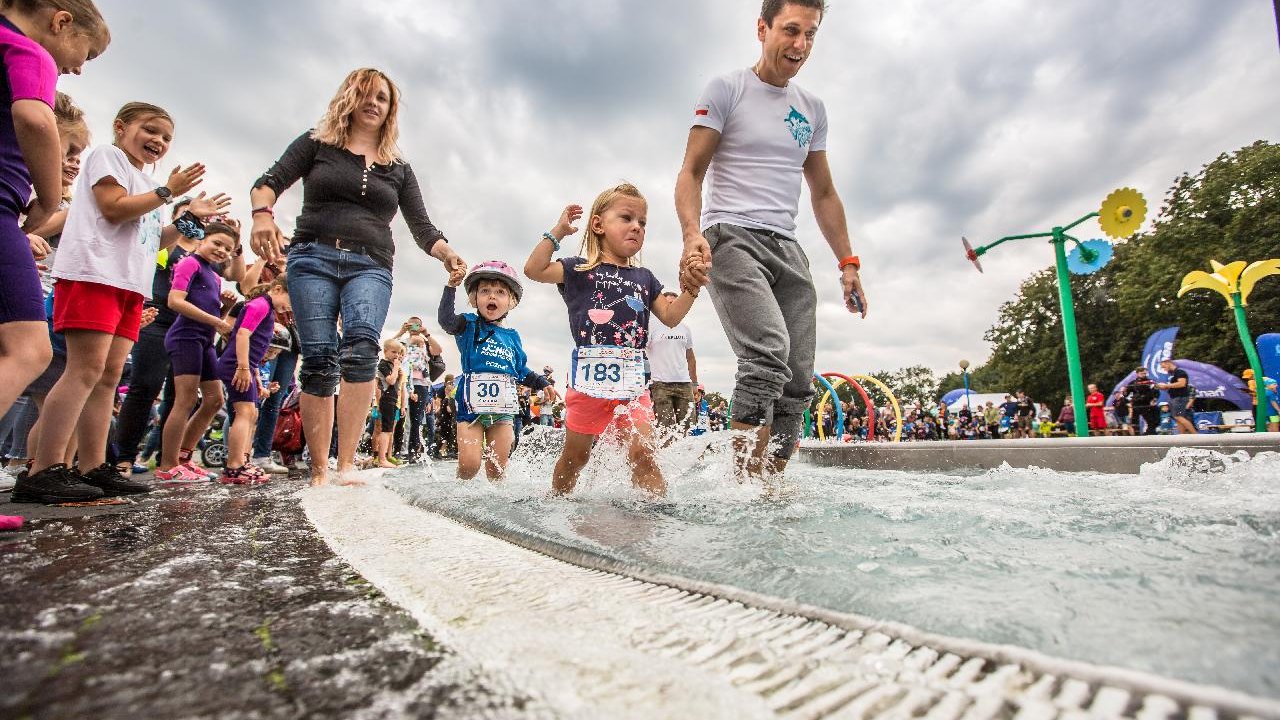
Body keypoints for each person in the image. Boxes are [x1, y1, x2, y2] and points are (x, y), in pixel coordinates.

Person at [675, 0, 866, 479]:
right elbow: (691, 171)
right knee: (766, 352)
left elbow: (823, 192)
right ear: (762, 28)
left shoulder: (812, 109)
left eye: (811, 34)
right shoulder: (727, 89)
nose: (800, 45)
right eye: (790, 30)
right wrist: (692, 234)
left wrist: (848, 262)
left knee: (798, 376)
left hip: (788, 248)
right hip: (731, 237)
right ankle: (740, 481)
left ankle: (770, 484)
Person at [249, 68, 466, 486]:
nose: (373, 102)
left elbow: (422, 227)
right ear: (349, 97)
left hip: (371, 262)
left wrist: (446, 253)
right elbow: (268, 183)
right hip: (312, 256)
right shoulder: (316, 144)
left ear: (391, 109)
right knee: (317, 357)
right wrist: (262, 215)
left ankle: (346, 463)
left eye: (382, 97)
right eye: (365, 94)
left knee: (363, 347)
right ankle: (318, 469)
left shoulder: (399, 168)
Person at [15, 102, 227, 503]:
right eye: (150, 130)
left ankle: (94, 465)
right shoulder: (106, 157)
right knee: (83, 371)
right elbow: (113, 210)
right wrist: (168, 192)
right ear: (121, 127)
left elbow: (156, 239)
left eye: (166, 137)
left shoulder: (144, 182)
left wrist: (190, 219)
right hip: (95, 275)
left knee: (108, 378)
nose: (158, 141)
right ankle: (42, 468)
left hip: (130, 286)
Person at [525, 186, 698, 496]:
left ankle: (655, 516)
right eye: (627, 218)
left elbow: (671, 317)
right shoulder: (578, 269)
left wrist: (692, 289)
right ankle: (556, 503)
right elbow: (533, 269)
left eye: (643, 222)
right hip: (588, 385)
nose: (637, 226)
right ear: (598, 225)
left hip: (633, 385)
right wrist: (557, 233)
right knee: (577, 457)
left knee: (643, 453)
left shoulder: (645, 278)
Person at [0, 0, 108, 437]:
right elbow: (35, 118)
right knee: (29, 350)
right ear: (61, 21)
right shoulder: (28, 51)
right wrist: (46, 198)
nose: (80, 69)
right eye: (88, 54)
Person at [439, 261, 554, 480]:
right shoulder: (468, 324)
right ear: (474, 299)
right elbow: (446, 322)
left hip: (503, 408)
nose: (492, 297)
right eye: (485, 291)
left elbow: (520, 370)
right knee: (469, 466)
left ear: (511, 302)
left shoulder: (512, 336)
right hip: (471, 406)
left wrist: (542, 382)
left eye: (500, 292)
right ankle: (459, 494)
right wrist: (450, 288)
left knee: (497, 469)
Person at [154, 223, 239, 484]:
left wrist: (224, 310)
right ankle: (168, 465)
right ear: (203, 239)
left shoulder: (214, 276)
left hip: (204, 339)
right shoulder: (189, 263)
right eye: (217, 243)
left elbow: (214, 317)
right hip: (185, 336)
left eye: (228, 248)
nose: (222, 250)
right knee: (185, 399)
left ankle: (184, 456)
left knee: (214, 400)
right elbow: (175, 301)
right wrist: (217, 322)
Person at [217, 276, 291, 484]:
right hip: (237, 365)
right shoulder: (259, 305)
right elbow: (242, 335)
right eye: (290, 301)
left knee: (252, 413)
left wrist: (255, 373)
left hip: (247, 366)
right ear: (278, 289)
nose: (289, 307)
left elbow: (257, 349)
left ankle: (243, 459)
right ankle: (234, 466)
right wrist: (242, 367)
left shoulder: (267, 309)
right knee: (245, 412)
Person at [647, 291, 698, 438]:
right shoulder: (651, 326)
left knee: (689, 428)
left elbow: (691, 358)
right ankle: (666, 459)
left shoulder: (685, 328)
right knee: (665, 429)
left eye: (675, 304)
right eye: (668, 303)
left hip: (684, 383)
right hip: (660, 384)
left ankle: (689, 459)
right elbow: (641, 352)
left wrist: (694, 383)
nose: (672, 307)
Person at [372, 338, 404, 469]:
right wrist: (396, 368)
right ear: (385, 351)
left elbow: (397, 383)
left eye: (398, 353)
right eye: (394, 352)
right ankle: (381, 458)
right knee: (385, 430)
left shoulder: (390, 365)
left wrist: (399, 373)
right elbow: (390, 381)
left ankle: (384, 457)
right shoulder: (384, 364)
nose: (396, 355)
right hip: (386, 398)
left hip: (392, 399)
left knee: (389, 429)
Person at [1157, 358, 1197, 435]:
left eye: (1164, 367)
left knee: (1178, 417)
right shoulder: (1173, 375)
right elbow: (1173, 386)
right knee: (1178, 418)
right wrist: (1164, 387)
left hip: (1180, 398)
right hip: (1175, 398)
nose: (1163, 369)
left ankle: (1196, 435)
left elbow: (1182, 384)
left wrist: (1166, 385)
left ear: (1168, 363)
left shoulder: (1179, 372)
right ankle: (1181, 437)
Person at [1123, 367, 1159, 435]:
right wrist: (1125, 393)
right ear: (1137, 374)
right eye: (1142, 373)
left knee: (1152, 420)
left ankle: (1150, 433)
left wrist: (1154, 399)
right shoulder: (1133, 383)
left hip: (1147, 403)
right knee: (1134, 421)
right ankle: (1137, 436)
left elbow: (1156, 392)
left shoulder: (1150, 381)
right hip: (1137, 404)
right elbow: (1126, 394)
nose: (1144, 375)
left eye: (1145, 373)